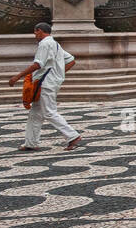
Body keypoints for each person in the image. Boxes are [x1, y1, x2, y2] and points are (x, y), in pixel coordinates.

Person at [8, 22, 81, 151]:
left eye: (35, 32)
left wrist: (18, 76)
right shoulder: (55, 44)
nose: (35, 34)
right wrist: (58, 75)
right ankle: (31, 143)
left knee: (49, 112)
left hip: (45, 83)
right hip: (49, 82)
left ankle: (72, 136)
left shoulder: (45, 44)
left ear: (40, 31)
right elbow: (71, 60)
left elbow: (38, 64)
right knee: (35, 113)